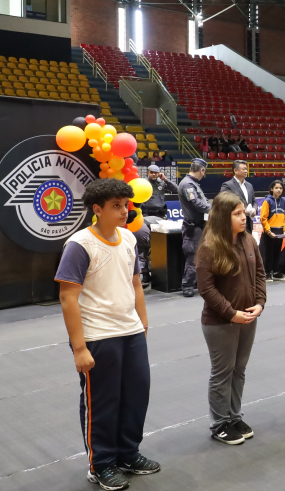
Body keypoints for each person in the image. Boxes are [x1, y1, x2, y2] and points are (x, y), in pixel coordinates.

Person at [55, 179, 159, 490]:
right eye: (116, 206)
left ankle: (128, 454)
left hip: (131, 333)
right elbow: (67, 298)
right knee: (103, 403)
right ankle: (100, 464)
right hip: (98, 337)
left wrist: (142, 321)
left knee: (136, 396)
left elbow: (135, 283)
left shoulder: (128, 239)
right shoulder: (80, 244)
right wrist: (79, 348)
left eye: (126, 205)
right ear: (97, 209)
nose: (125, 211)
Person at [196, 192, 266, 445]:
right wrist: (231, 313)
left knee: (239, 370)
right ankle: (219, 423)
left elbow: (260, 273)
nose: (243, 216)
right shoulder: (210, 247)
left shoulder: (249, 241)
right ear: (223, 217)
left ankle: (234, 416)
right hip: (220, 323)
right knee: (222, 372)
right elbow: (206, 289)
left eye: (243, 211)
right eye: (236, 213)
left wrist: (260, 304)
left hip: (248, 317)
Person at [179, 158, 212, 297]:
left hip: (200, 226)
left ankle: (197, 283)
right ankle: (187, 285)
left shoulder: (191, 183)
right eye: (203, 172)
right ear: (201, 170)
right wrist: (212, 209)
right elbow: (196, 203)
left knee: (201, 256)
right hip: (194, 227)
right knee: (193, 257)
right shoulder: (188, 184)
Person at [259, 180, 285, 281]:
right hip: (269, 231)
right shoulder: (267, 201)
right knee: (269, 253)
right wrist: (268, 231)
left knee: (278, 252)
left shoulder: (284, 202)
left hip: (280, 231)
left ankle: (276, 272)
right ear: (271, 189)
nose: (279, 190)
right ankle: (267, 273)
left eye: (280, 188)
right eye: (276, 188)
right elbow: (263, 218)